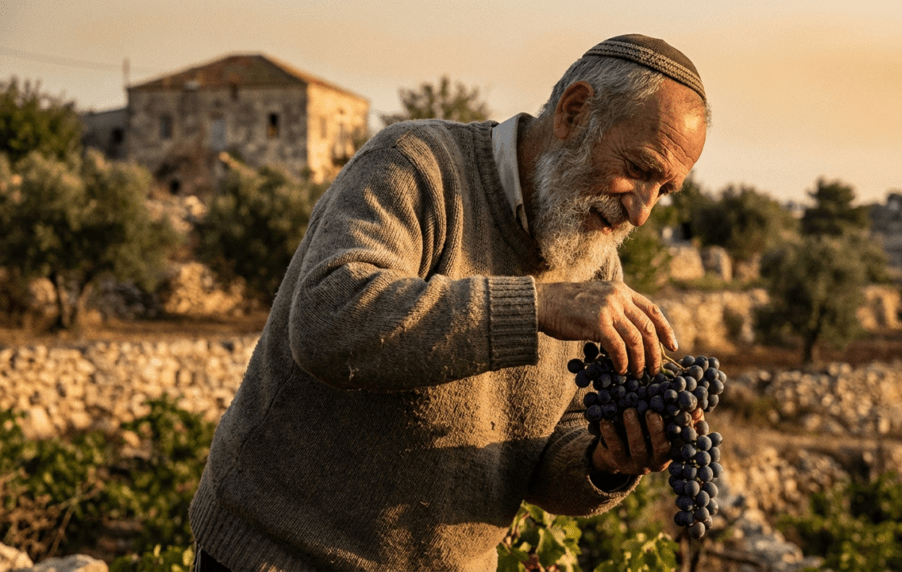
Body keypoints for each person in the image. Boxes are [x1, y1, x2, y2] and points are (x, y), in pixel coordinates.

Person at [189, 34, 709, 572]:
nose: (643, 211)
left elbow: (547, 451)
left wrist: (603, 461)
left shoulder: (595, 259)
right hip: (283, 556)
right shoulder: (418, 165)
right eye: (639, 169)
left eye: (664, 190)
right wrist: (535, 306)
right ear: (574, 113)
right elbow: (328, 319)